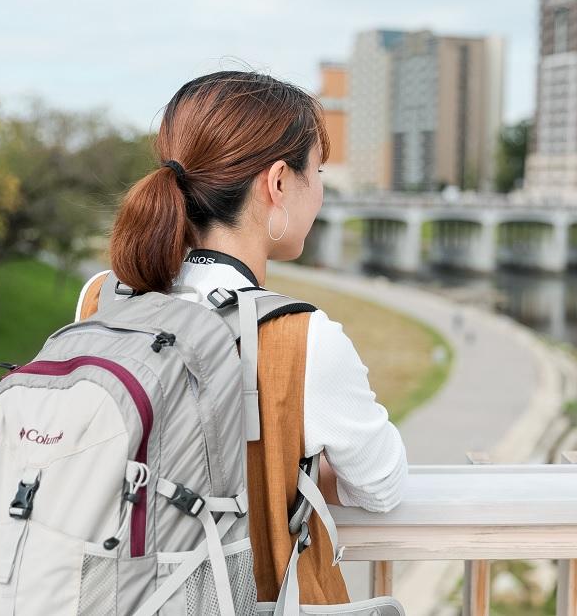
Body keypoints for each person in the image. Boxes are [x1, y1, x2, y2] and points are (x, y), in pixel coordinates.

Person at [75, 71, 407, 604]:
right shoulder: (301, 337)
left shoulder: (102, 298)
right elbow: (381, 484)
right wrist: (286, 468)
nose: (319, 190)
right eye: (316, 171)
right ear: (278, 183)